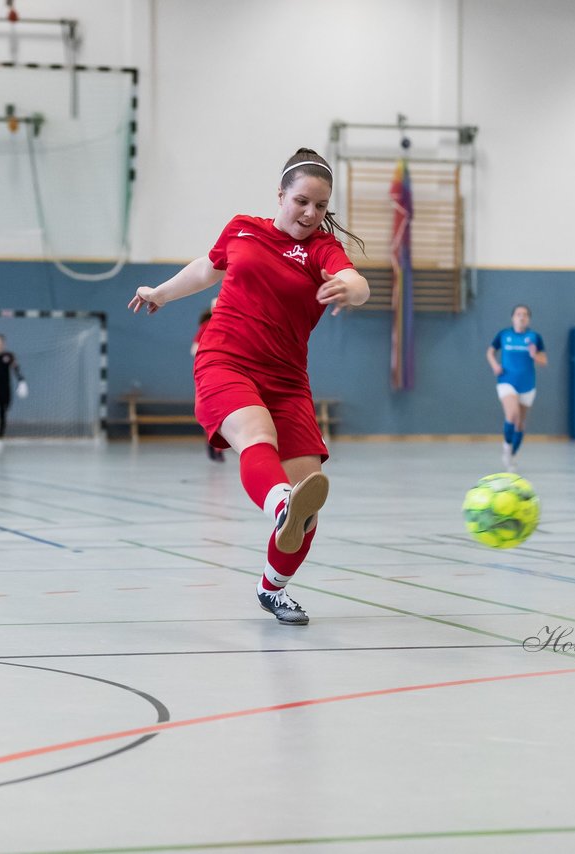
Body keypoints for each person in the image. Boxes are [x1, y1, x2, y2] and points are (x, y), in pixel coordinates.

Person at [128, 147, 369, 625]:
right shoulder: (243, 228)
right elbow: (206, 268)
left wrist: (351, 289)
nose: (310, 213)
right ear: (280, 195)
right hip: (226, 360)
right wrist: (159, 292)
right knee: (257, 437)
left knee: (310, 507)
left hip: (287, 379)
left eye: (320, 206)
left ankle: (272, 587)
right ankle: (279, 503)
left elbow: (354, 280)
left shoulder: (320, 248)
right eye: (301, 201)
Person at [485, 304, 546, 470]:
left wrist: (535, 356)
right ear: (513, 317)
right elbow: (490, 352)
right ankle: (506, 445)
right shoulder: (504, 335)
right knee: (512, 415)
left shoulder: (534, 337)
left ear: (529, 319)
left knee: (520, 423)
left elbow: (544, 361)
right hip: (507, 381)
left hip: (527, 384)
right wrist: (495, 366)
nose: (521, 317)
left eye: (525, 314)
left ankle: (512, 455)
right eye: (518, 314)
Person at [191, 296, 224, 462]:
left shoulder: (234, 323)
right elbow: (194, 349)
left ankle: (218, 447)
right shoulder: (206, 327)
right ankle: (212, 445)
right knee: (211, 412)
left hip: (228, 373)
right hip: (210, 373)